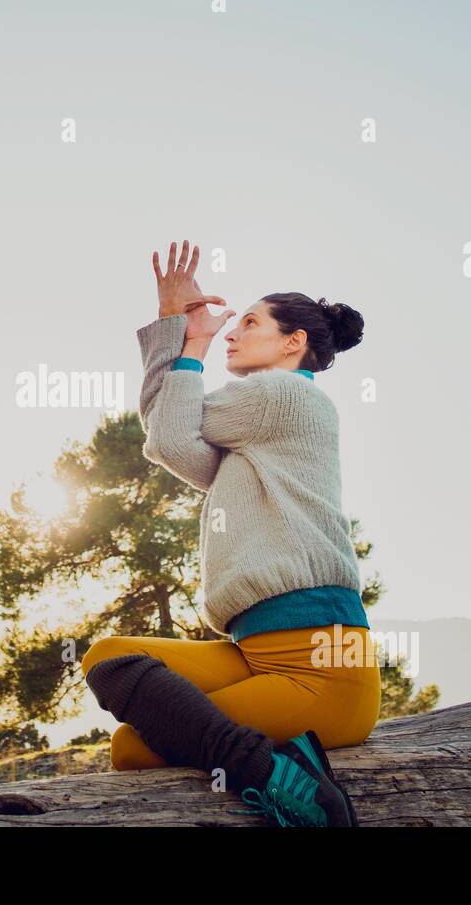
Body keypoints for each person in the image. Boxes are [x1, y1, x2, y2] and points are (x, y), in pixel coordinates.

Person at [81, 238, 378, 827]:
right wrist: (182, 337)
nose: (232, 332)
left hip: (320, 672)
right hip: (258, 656)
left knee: (137, 748)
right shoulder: (255, 432)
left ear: (294, 343)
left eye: (248, 322)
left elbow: (170, 432)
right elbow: (170, 440)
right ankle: (282, 767)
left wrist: (186, 336)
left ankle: (290, 787)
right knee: (111, 660)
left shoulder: (281, 394)